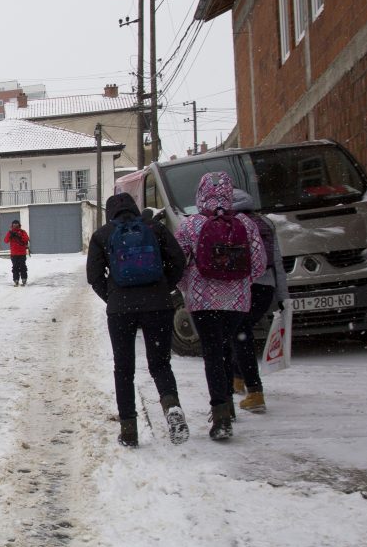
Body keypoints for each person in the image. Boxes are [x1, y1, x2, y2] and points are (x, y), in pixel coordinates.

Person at [86, 193, 189, 447]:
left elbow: (94, 276)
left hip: (121, 310)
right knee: (160, 364)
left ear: (111, 212)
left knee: (123, 369)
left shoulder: (102, 235)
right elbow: (178, 260)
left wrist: (112, 296)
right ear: (135, 207)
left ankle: (129, 429)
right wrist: (164, 287)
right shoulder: (155, 228)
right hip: (158, 305)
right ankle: (171, 405)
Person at [173, 172, 267, 440]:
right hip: (236, 302)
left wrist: (188, 287)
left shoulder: (191, 225)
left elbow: (178, 264)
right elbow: (259, 263)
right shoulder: (246, 224)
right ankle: (228, 406)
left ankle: (221, 413)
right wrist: (240, 284)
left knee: (213, 353)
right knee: (227, 347)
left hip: (202, 301)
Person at [227, 187, 289, 413]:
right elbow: (278, 262)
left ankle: (254, 391)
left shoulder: (233, 223)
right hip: (267, 288)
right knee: (241, 331)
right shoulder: (265, 222)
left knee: (239, 334)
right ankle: (237, 378)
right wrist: (283, 296)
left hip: (244, 286)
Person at [3, 220, 30, 285]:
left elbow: (27, 239)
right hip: (14, 254)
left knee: (23, 266)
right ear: (12, 225)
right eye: (14, 225)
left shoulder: (22, 232)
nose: (15, 226)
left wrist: (19, 236)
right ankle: (16, 279)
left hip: (22, 253)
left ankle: (24, 279)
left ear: (19, 225)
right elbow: (6, 241)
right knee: (15, 267)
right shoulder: (10, 232)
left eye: (16, 225)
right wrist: (10, 235)